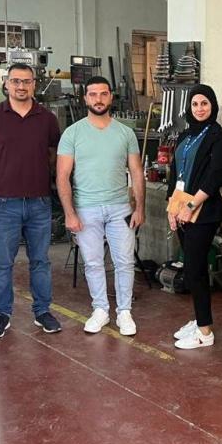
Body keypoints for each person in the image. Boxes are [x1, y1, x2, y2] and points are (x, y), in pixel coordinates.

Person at [0, 62, 62, 338]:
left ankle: (42, 312)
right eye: (15, 81)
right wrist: (0, 177)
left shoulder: (47, 119)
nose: (21, 86)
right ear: (6, 84)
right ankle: (2, 314)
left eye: (26, 81)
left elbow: (52, 156)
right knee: (2, 263)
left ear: (34, 84)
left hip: (39, 203)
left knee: (40, 261)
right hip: (3, 204)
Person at [56, 76, 145, 336]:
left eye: (103, 94)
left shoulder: (125, 133)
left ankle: (124, 311)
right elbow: (62, 176)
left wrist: (140, 208)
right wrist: (70, 213)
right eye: (93, 94)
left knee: (125, 262)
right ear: (85, 98)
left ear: (111, 97)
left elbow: (136, 172)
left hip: (120, 208)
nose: (98, 99)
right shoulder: (72, 133)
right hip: (86, 209)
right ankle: (101, 310)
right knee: (93, 263)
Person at [167, 84, 222, 350]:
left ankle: (205, 332)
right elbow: (175, 173)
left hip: (203, 212)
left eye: (204, 103)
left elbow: (215, 176)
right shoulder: (186, 134)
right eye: (195, 104)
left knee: (195, 269)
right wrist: (172, 208)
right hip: (181, 209)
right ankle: (199, 319)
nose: (200, 108)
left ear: (212, 105)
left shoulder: (218, 136)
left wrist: (191, 205)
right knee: (192, 268)